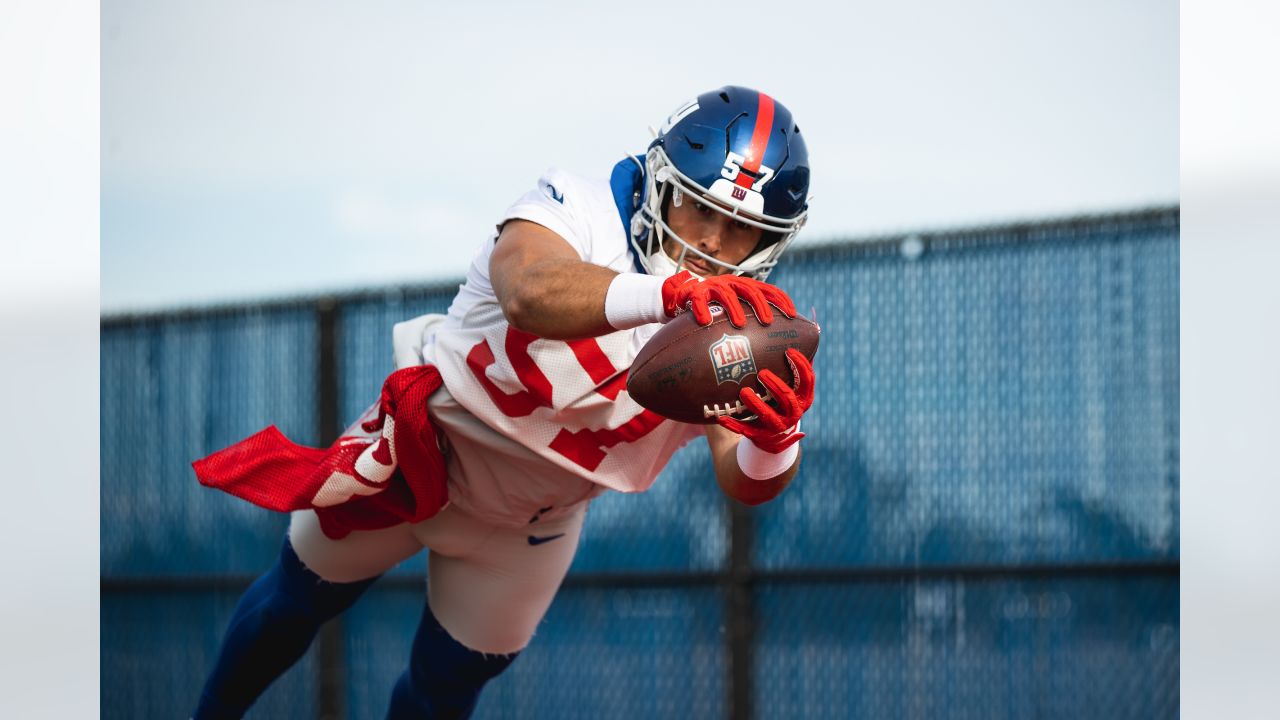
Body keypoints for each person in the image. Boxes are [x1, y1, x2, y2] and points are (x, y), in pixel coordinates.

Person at [193, 85, 815, 719]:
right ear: (659, 181)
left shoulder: (736, 335)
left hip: (531, 524)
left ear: (773, 242)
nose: (710, 244)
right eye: (697, 208)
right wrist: (667, 297)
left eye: (740, 229)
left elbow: (743, 481)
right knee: (289, 607)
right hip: (418, 447)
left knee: (441, 693)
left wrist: (777, 437)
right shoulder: (579, 207)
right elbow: (527, 289)